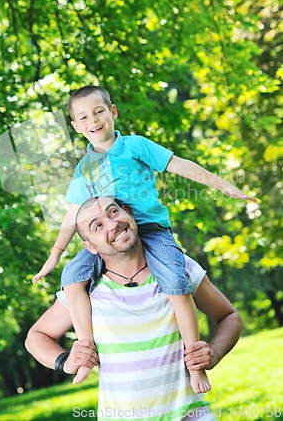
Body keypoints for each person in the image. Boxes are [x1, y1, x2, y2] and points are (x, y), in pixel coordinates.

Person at [32, 85, 255, 391]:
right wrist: (55, 255)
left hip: (149, 230)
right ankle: (85, 354)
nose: (93, 120)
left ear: (112, 112)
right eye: (83, 117)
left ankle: (195, 363)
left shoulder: (135, 146)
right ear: (76, 126)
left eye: (99, 111)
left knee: (176, 282)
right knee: (72, 277)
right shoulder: (85, 168)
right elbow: (73, 215)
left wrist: (223, 185)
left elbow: (180, 166)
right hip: (114, 238)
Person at [26, 197, 243, 421]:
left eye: (113, 212)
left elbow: (230, 316)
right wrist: (65, 362)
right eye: (97, 226)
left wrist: (213, 354)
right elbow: (36, 337)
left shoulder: (176, 269)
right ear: (89, 246)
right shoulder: (83, 290)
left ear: (129, 213)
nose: (112, 225)